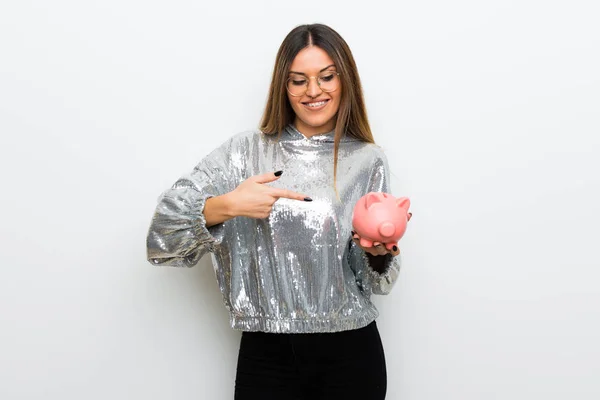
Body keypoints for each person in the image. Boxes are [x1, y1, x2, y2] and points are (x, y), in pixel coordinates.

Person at [146, 23, 412, 400]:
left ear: (344, 80)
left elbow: (375, 284)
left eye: (326, 77)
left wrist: (378, 253)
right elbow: (162, 233)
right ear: (283, 87)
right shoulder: (244, 153)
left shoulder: (367, 159)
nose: (314, 91)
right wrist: (225, 206)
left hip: (351, 355)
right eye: (298, 80)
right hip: (267, 355)